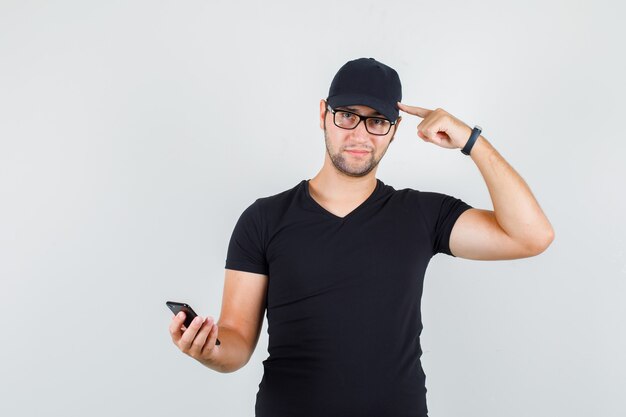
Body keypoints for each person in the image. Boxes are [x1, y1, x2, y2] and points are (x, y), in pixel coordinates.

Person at [168, 57, 555, 417]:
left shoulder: (422, 215)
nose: (360, 134)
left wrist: (472, 141)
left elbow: (531, 236)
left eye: (377, 122)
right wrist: (208, 349)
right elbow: (235, 341)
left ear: (394, 130)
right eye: (347, 116)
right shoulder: (263, 219)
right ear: (323, 114)